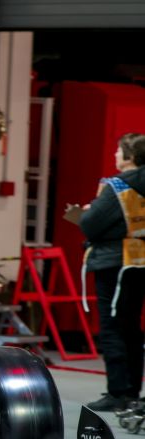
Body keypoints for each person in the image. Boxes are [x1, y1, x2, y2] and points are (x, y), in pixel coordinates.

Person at [79, 133, 145, 412]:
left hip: (113, 262)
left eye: (118, 151)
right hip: (139, 261)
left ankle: (118, 392)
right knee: (131, 328)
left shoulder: (117, 186)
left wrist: (87, 212)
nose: (114, 155)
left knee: (112, 328)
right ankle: (132, 391)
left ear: (130, 156)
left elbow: (90, 224)